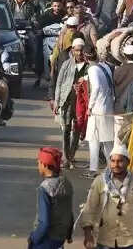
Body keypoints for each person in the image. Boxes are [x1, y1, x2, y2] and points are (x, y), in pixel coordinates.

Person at [80, 145, 133, 249]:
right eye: (113, 161)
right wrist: (88, 234)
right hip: (105, 239)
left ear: (128, 162)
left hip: (130, 240)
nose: (116, 164)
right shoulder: (100, 181)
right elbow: (90, 208)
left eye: (120, 161)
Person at [28, 147, 73, 249]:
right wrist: (69, 234)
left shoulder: (44, 189)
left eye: (38, 163)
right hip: (60, 238)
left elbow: (44, 222)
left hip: (46, 239)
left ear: (45, 165)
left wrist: (34, 238)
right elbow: (69, 213)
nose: (38, 166)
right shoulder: (66, 183)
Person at [53, 38, 87, 169]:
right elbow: (59, 83)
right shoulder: (66, 64)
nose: (79, 53)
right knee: (66, 130)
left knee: (77, 131)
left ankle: (71, 155)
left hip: (81, 104)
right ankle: (66, 158)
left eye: (81, 50)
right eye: (76, 50)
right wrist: (56, 101)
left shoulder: (89, 66)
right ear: (72, 50)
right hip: (67, 102)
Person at [84, 46, 115, 179]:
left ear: (86, 57)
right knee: (108, 140)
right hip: (108, 107)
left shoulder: (92, 69)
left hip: (97, 109)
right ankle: (113, 167)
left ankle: (93, 169)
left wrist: (89, 107)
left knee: (93, 139)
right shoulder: (105, 66)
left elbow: (96, 87)